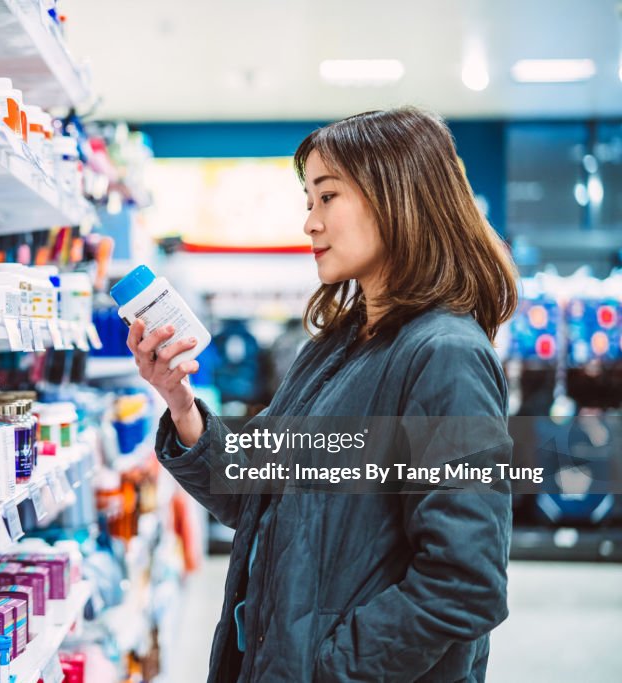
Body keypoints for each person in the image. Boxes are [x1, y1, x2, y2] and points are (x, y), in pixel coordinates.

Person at [127, 107, 518, 682]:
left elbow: (465, 583)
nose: (310, 223)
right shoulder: (335, 346)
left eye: (327, 197)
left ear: (397, 196)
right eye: (308, 202)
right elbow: (253, 497)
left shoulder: (445, 356)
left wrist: (329, 668)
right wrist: (180, 403)